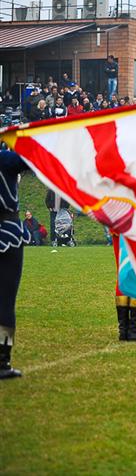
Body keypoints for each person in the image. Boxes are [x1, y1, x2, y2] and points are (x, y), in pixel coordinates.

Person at [1, 149, 31, 379]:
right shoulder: (4, 159)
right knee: (5, 302)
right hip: (6, 233)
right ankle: (2, 361)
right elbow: (33, 157)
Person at [111, 234, 136, 341]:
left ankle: (123, 331)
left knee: (122, 274)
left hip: (117, 229)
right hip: (134, 231)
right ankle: (133, 330)